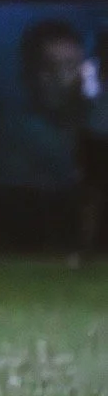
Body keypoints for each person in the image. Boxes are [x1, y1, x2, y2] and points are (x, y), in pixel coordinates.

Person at [80, 30, 108, 256]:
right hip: (95, 140)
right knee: (92, 195)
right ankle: (87, 247)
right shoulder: (90, 70)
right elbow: (88, 96)